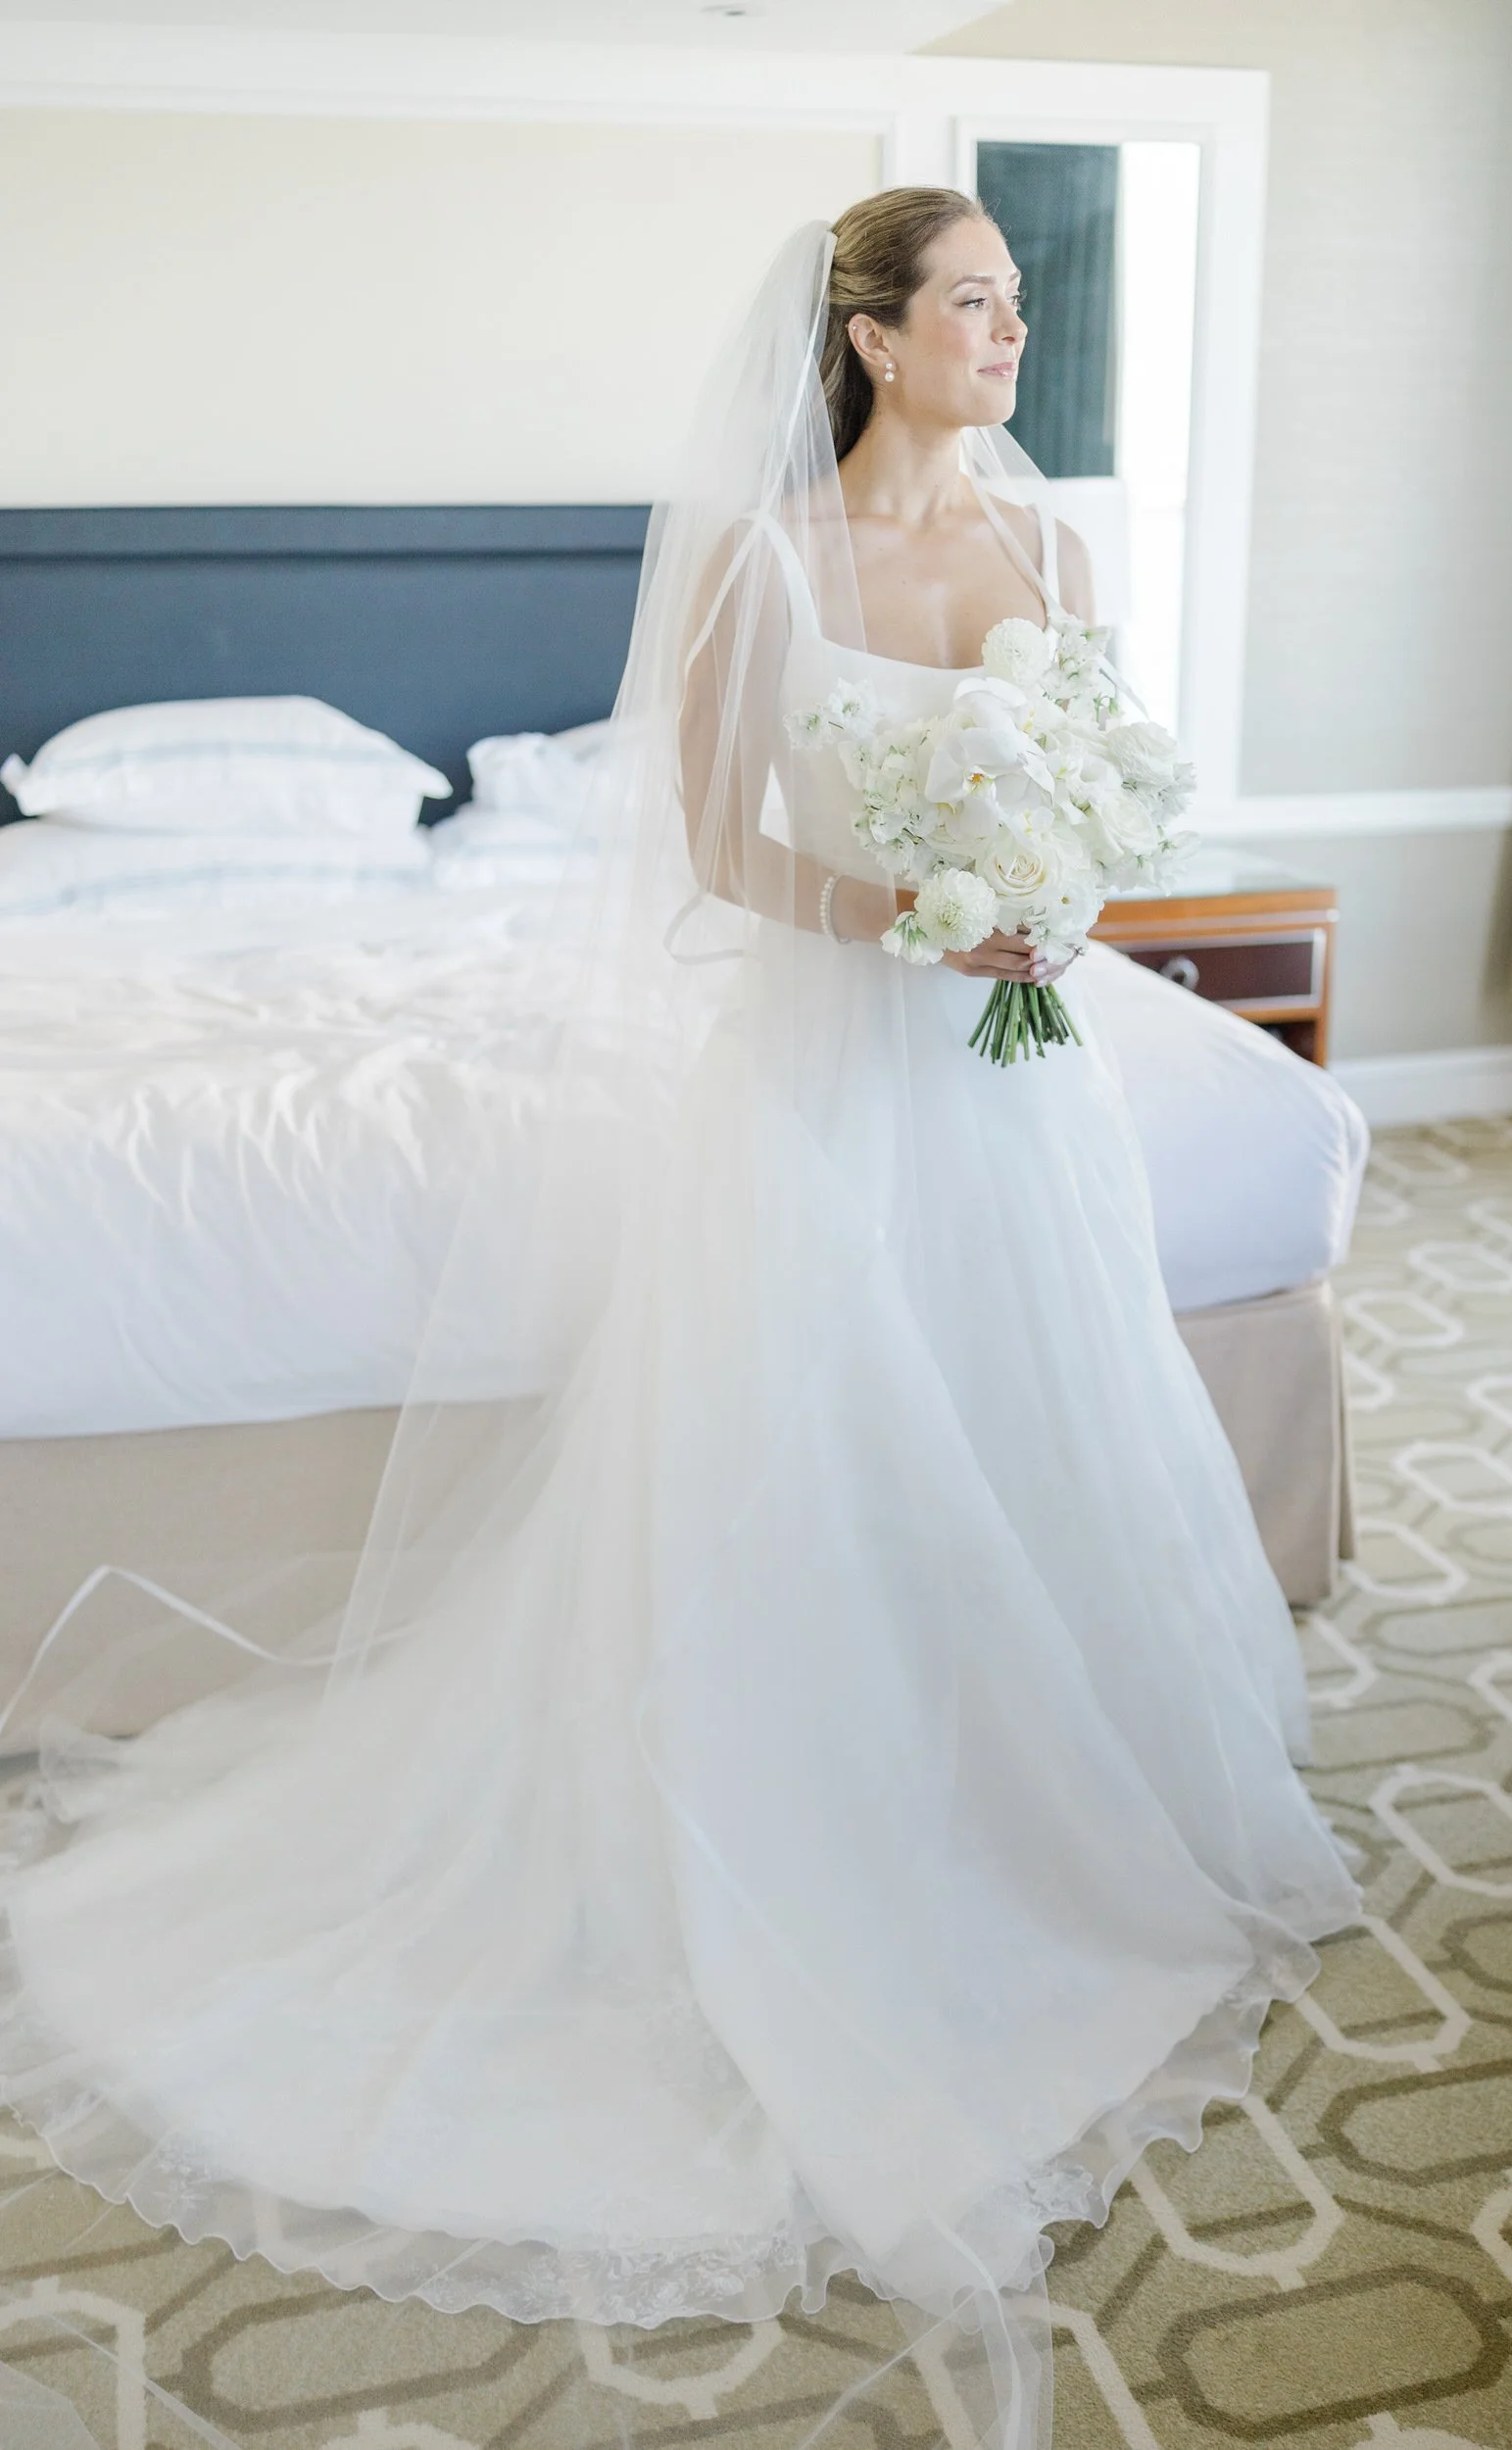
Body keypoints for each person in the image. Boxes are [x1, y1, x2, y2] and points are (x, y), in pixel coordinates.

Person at [0, 192, 1360, 2450]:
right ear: (869, 334)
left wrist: (1046, 896)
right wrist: (915, 906)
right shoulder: (762, 563)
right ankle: (802, 1841)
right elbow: (721, 849)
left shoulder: (1054, 550)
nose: (1009, 330)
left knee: (1028, 1416)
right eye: (969, 300)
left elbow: (1091, 791)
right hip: (828, 1071)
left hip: (1013, 1090)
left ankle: (1032, 1797)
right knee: (810, 1462)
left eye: (1017, 300)